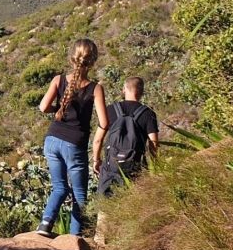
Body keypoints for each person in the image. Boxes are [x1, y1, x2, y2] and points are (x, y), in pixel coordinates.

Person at [36, 39, 108, 237]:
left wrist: (58, 109)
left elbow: (43, 107)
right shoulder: (95, 88)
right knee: (79, 195)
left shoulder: (59, 80)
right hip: (75, 144)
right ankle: (76, 239)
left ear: (72, 58)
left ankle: (45, 224)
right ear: (93, 61)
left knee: (59, 187)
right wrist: (97, 151)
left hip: (51, 140)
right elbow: (104, 122)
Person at [93, 76, 159, 196]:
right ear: (142, 92)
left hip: (110, 167)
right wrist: (154, 168)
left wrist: (96, 160)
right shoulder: (148, 114)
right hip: (135, 167)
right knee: (132, 201)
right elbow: (153, 144)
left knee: (105, 202)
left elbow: (98, 140)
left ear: (124, 90)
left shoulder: (110, 110)